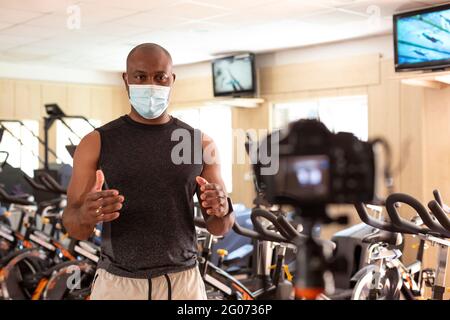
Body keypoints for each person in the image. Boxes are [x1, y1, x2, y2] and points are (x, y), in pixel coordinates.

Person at [62, 43, 235, 300]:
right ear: (126, 79)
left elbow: (220, 227)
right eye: (141, 76)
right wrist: (86, 215)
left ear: (171, 80)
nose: (151, 84)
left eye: (160, 77)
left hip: (182, 283)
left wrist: (223, 209)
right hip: (119, 283)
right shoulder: (96, 142)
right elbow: (75, 228)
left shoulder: (199, 143)